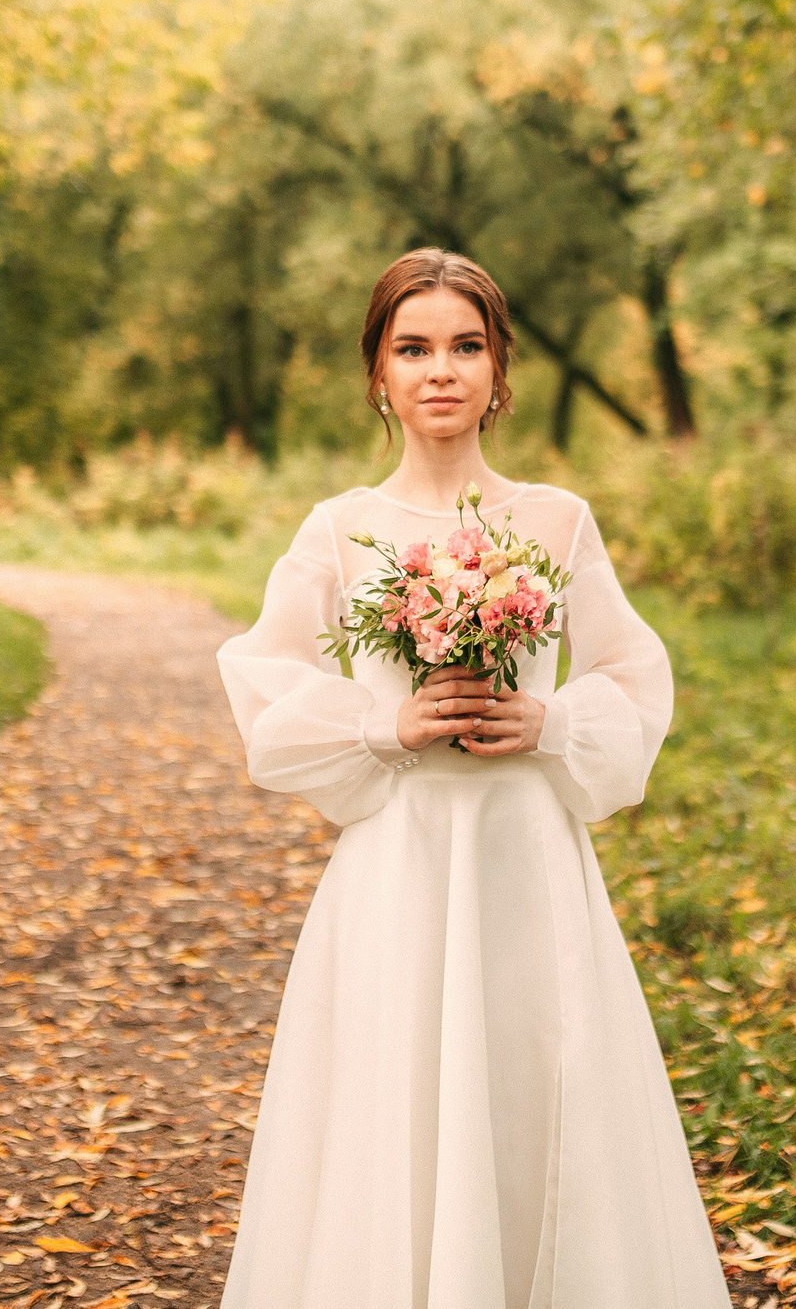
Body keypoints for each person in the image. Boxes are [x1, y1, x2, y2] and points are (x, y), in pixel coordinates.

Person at [214, 248, 730, 1309]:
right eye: (412, 347)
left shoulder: (553, 521)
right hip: (401, 868)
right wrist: (381, 723)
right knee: (396, 1108)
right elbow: (263, 683)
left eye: (464, 345)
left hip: (523, 861)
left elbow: (636, 675)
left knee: (532, 1092)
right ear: (378, 375)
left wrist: (548, 719)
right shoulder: (342, 528)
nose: (439, 368)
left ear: (499, 372)